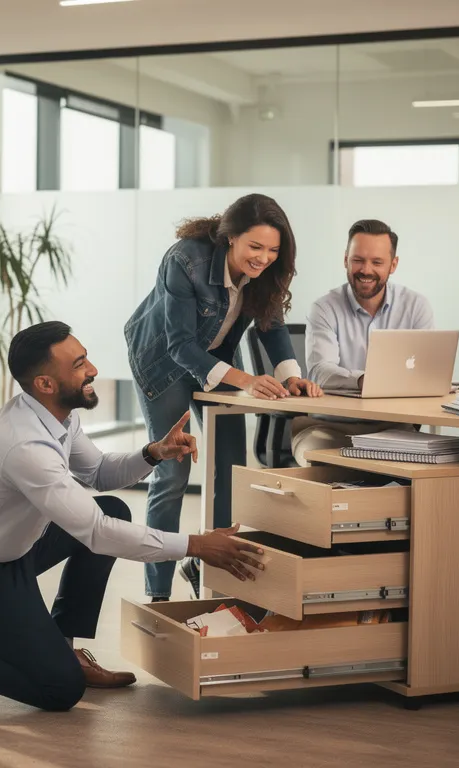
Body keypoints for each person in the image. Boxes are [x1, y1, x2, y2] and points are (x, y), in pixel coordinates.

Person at [0, 321, 266, 711]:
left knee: (112, 507)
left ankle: (63, 644)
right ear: (45, 383)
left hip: (9, 555)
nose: (92, 369)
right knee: (59, 689)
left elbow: (98, 472)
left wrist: (153, 453)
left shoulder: (57, 415)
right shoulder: (23, 445)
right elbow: (96, 534)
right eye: (79, 364)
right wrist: (195, 545)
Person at [123, 193, 321, 603]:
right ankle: (158, 593)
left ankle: (205, 566)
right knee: (173, 472)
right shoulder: (185, 260)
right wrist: (246, 380)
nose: (263, 258)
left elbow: (271, 325)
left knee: (230, 469)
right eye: (255, 247)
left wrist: (292, 376)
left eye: (272, 250)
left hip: (215, 362)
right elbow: (179, 345)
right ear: (230, 238)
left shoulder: (267, 271)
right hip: (163, 361)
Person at [295, 219, 435, 464]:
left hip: (394, 430)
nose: (366, 270)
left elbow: (427, 373)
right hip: (328, 428)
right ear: (345, 260)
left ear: (393, 265)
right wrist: (363, 381)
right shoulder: (324, 308)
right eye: (358, 260)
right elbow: (320, 371)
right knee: (322, 463)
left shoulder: (416, 306)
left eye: (377, 262)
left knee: (437, 469)